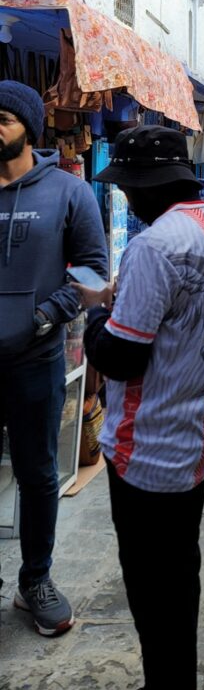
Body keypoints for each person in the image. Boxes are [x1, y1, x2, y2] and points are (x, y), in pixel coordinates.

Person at [76, 126, 204, 690]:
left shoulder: (153, 246)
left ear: (149, 186)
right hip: (198, 436)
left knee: (151, 587)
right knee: (180, 572)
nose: (125, 197)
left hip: (149, 449)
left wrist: (99, 311)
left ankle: (166, 682)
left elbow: (120, 358)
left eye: (128, 187)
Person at [0, 81, 107, 636]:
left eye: (4, 117)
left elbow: (93, 269)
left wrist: (45, 315)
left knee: (39, 473)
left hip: (34, 359)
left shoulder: (68, 193)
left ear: (30, 128)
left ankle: (34, 580)